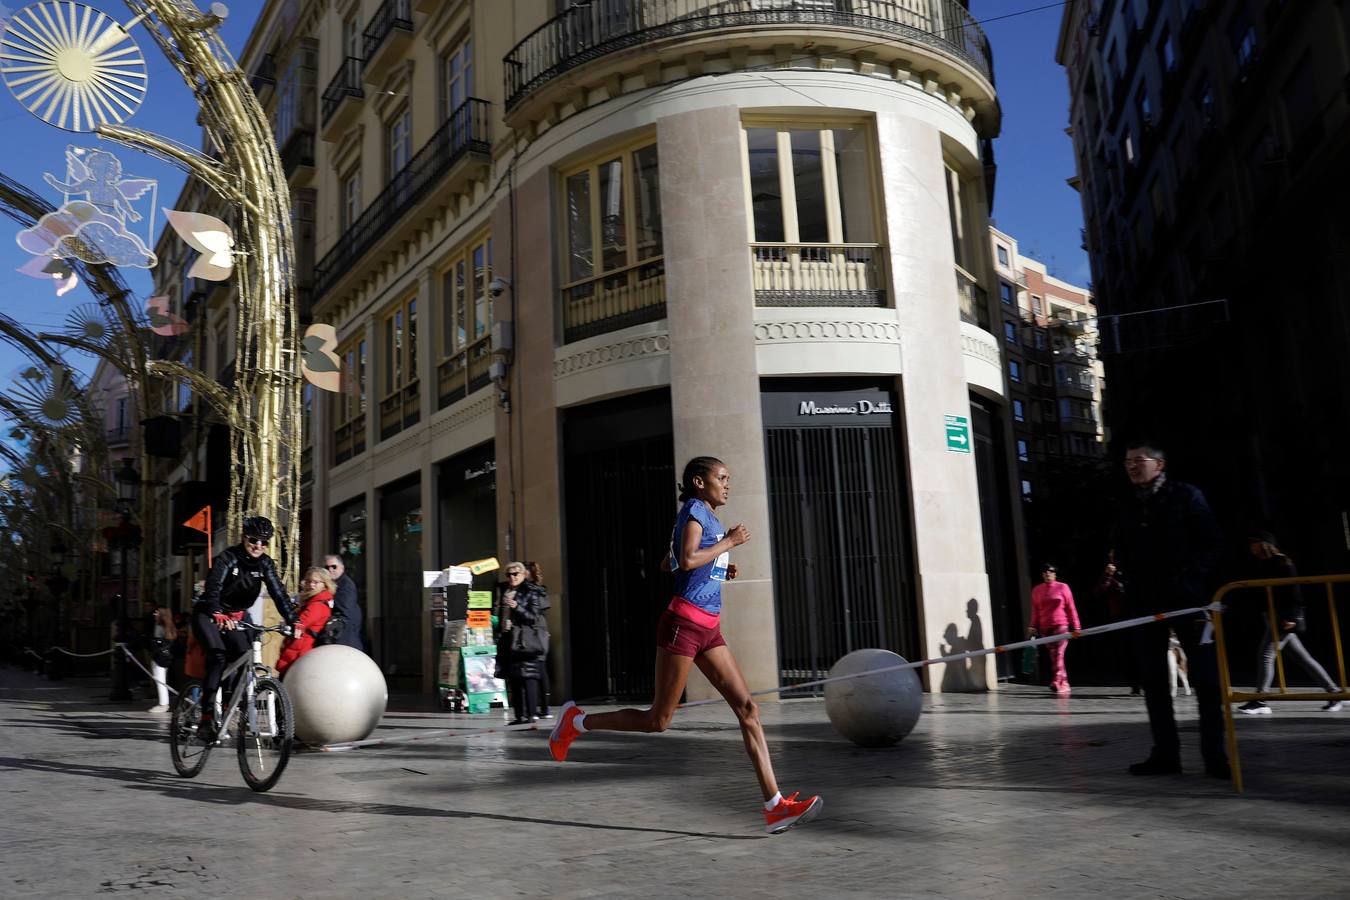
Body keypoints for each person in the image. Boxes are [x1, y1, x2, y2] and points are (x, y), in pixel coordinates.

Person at [547, 456, 822, 835]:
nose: (727, 484)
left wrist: (722, 565)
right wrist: (728, 543)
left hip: (710, 628)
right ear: (698, 481)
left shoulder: (706, 514)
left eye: (729, 478)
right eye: (721, 478)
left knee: (748, 708)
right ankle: (576, 721)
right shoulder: (694, 510)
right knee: (658, 720)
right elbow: (690, 559)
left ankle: (775, 806)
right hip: (684, 625)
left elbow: (670, 563)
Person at [1110, 440, 1227, 779]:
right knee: (1154, 682)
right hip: (1145, 604)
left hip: (1190, 602)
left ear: (1159, 465)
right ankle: (1165, 755)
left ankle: (1215, 756)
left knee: (1206, 681)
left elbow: (1213, 544)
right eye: (1127, 461)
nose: (1132, 466)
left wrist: (1190, 580)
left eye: (1139, 460)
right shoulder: (1126, 504)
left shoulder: (1187, 496)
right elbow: (1122, 549)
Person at [194, 516, 295, 742]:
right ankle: (207, 718)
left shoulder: (265, 563)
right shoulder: (228, 558)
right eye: (253, 540)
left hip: (238, 615)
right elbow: (213, 587)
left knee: (243, 656)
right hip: (209, 613)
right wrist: (217, 611)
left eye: (264, 542)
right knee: (218, 657)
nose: (258, 545)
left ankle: (231, 708)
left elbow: (278, 593)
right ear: (243, 538)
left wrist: (294, 620)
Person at [1237, 532, 1343, 715]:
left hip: (1282, 618)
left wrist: (1291, 617)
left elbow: (1295, 591)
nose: (1251, 547)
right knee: (1304, 659)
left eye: (1255, 542)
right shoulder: (1263, 563)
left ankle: (1260, 700)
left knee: (1265, 656)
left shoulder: (1282, 562)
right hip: (1271, 617)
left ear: (1265, 544)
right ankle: (1334, 692)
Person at [496, 561, 549, 725]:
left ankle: (532, 713)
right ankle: (520, 715)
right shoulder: (505, 591)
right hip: (508, 639)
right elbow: (500, 614)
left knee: (529, 676)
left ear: (523, 574)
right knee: (513, 678)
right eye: (508, 574)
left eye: (515, 574)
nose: (511, 577)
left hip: (525, 640)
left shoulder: (530, 591)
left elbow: (533, 617)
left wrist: (517, 606)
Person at [1027, 564, 1081, 695]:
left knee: (1059, 655)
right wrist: (1033, 626)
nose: (1047, 573)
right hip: (1046, 628)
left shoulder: (1063, 587)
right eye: (1045, 571)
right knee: (1054, 658)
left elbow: (1071, 607)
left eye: (1050, 571)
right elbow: (1035, 611)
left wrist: (1077, 626)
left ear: (1055, 574)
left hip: (1061, 626)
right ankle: (1064, 683)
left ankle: (1057, 681)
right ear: (1042, 574)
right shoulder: (1036, 590)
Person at [276, 567, 336, 675]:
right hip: (298, 648)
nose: (311, 585)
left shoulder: (317, 605)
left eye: (316, 582)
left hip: (300, 651)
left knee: (287, 685)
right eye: (309, 581)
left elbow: (301, 622)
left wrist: (287, 624)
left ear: (324, 584)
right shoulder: (313, 601)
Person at [1093, 560, 1140, 694]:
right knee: (1125, 652)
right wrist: (1107, 575)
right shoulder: (1109, 576)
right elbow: (1098, 592)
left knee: (1139, 650)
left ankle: (1143, 680)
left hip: (1136, 616)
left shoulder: (1130, 572)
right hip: (1119, 617)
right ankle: (1134, 683)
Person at [323, 554, 366, 651]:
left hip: (345, 638)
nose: (330, 570)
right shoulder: (332, 585)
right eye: (327, 567)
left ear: (342, 568)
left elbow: (343, 609)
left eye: (334, 566)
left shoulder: (346, 585)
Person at [526, 560, 551, 719]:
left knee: (537, 669)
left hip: (535, 632)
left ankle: (537, 709)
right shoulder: (541, 589)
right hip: (542, 632)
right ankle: (544, 709)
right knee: (541, 669)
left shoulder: (531, 590)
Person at [147, 606, 177, 712]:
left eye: (157, 613)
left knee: (160, 680)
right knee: (162, 680)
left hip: (159, 657)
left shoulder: (159, 627)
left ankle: (163, 704)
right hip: (166, 657)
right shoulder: (170, 626)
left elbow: (156, 644)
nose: (155, 614)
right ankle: (164, 703)